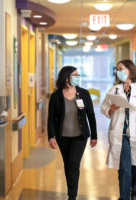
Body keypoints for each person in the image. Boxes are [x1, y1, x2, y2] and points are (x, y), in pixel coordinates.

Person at [101, 59, 136, 200]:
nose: (119, 72)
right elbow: (103, 107)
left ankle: (134, 188)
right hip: (121, 134)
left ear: (130, 70)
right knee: (125, 168)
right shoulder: (114, 90)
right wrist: (111, 109)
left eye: (122, 69)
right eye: (117, 69)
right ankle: (124, 197)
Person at [48, 66, 97, 200]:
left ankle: (72, 195)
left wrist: (94, 136)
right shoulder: (56, 96)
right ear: (66, 77)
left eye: (78, 75)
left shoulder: (84, 94)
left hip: (80, 137)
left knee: (74, 163)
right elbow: (51, 118)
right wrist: (50, 136)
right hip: (62, 137)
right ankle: (71, 190)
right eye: (75, 75)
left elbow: (91, 116)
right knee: (67, 164)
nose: (77, 77)